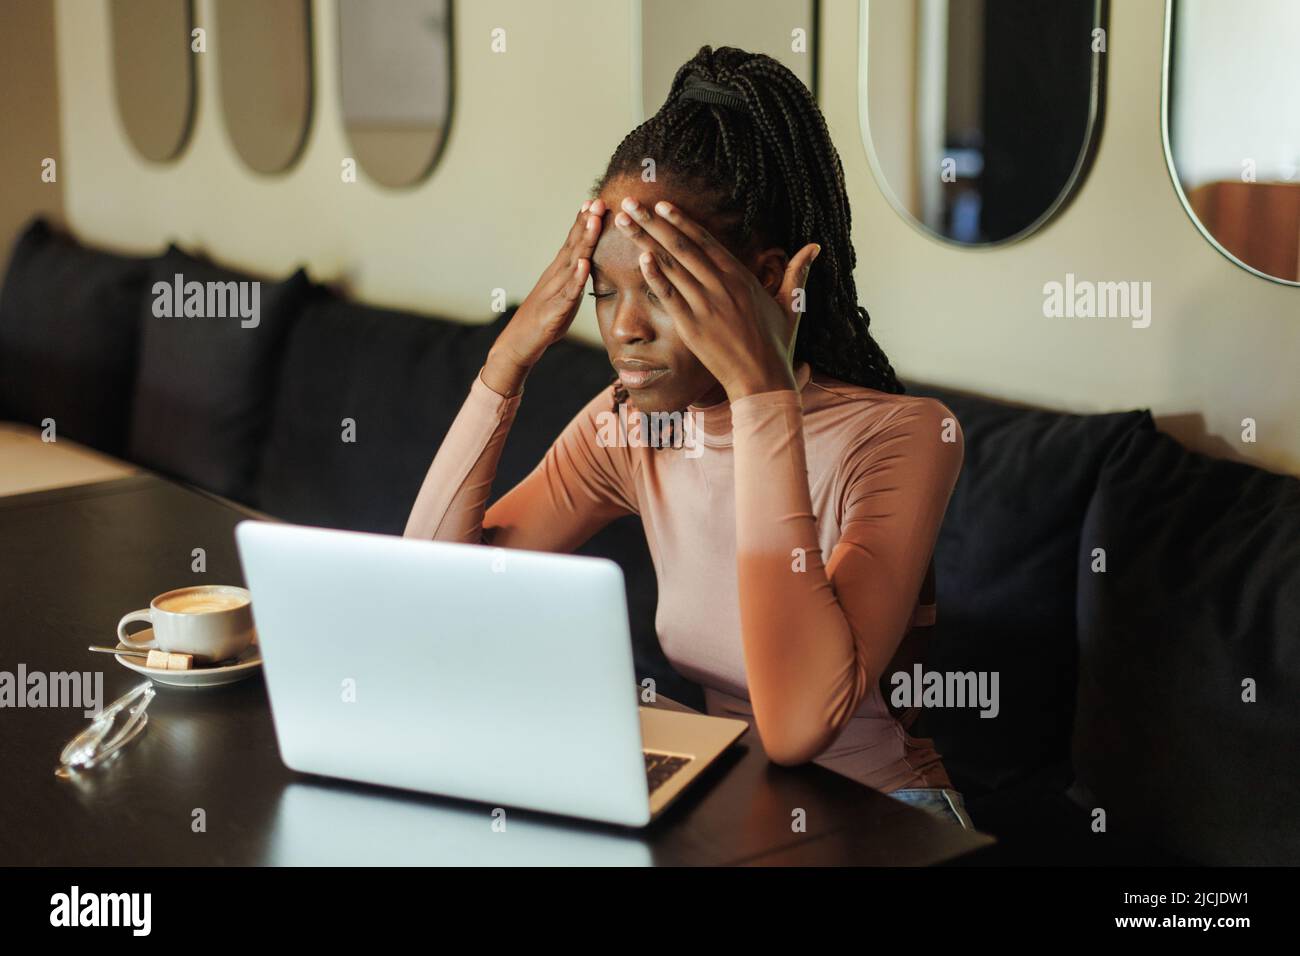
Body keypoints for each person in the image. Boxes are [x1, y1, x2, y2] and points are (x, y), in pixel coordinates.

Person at [405, 46, 972, 830]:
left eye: (665, 290)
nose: (625, 329)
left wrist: (760, 390)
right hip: (734, 801)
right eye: (603, 292)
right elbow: (436, 598)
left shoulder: (903, 437)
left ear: (772, 281)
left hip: (888, 815)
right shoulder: (631, 428)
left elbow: (800, 723)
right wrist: (505, 364)